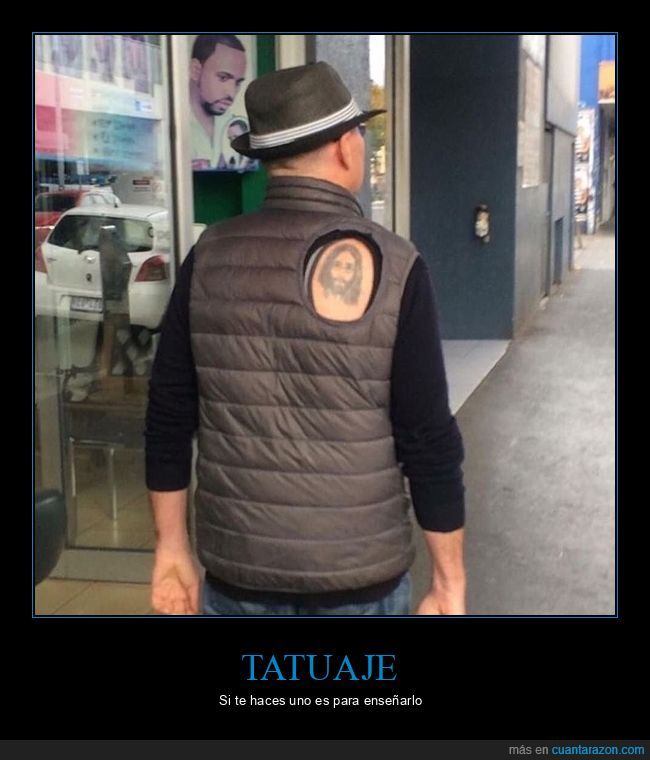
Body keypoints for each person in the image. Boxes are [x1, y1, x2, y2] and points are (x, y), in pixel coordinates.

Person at [146, 61, 466, 616]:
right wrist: (448, 580)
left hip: (238, 576)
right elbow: (427, 437)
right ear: (344, 147)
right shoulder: (397, 265)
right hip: (360, 579)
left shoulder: (209, 256)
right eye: (359, 133)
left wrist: (171, 546)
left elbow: (169, 417)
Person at [189, 35, 248, 170]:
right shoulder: (166, 122)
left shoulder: (235, 126)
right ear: (195, 70)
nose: (231, 93)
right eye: (223, 78)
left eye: (238, 83)